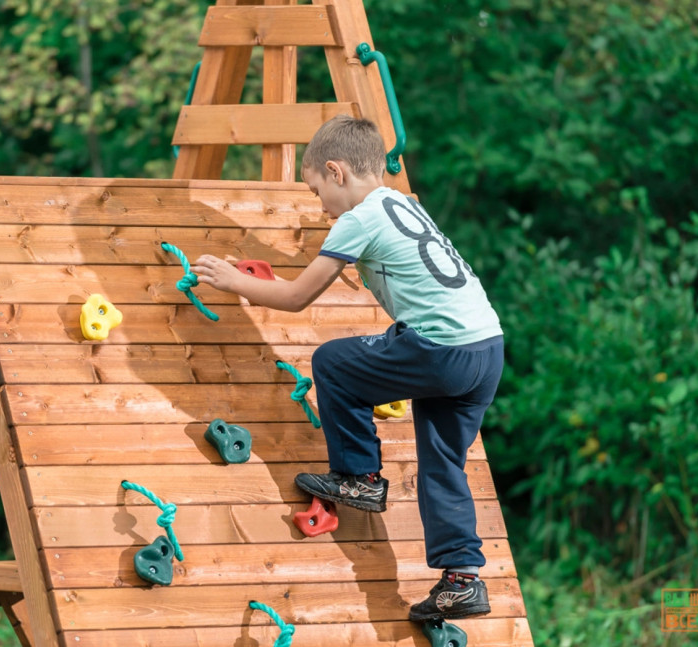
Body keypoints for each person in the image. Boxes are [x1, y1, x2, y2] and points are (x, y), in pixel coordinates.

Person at [191, 115, 503, 622]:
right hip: (486, 348)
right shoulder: (401, 203)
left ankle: (359, 477)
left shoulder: (356, 220)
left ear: (336, 172)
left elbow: (295, 297)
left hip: (440, 348)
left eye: (316, 190)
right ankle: (461, 580)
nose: (319, 205)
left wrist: (233, 281)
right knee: (443, 465)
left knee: (333, 362)